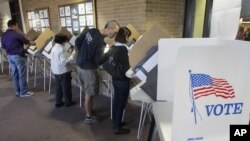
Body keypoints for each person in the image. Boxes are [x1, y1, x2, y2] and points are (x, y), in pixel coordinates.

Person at [75, 20, 120, 124]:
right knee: (89, 93)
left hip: (79, 65)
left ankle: (89, 111)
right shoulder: (101, 42)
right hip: (88, 69)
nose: (115, 35)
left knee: (87, 92)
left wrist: (82, 54)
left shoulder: (92, 31)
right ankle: (88, 117)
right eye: (115, 32)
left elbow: (77, 41)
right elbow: (99, 61)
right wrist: (110, 52)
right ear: (108, 29)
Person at [1, 19, 35, 97]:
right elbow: (27, 41)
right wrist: (36, 42)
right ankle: (23, 92)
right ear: (13, 26)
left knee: (15, 75)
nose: (17, 27)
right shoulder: (16, 34)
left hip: (10, 56)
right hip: (18, 56)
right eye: (16, 25)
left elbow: (3, 47)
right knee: (21, 74)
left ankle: (18, 91)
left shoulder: (4, 35)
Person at [107, 27, 131, 134]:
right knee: (121, 103)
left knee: (116, 101)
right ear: (125, 36)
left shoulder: (114, 47)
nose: (128, 38)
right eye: (128, 36)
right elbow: (127, 67)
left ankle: (115, 123)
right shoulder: (123, 49)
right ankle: (117, 128)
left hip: (115, 78)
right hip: (123, 80)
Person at [50, 34, 75, 108]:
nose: (66, 42)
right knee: (66, 87)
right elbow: (64, 62)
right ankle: (68, 102)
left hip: (55, 70)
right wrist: (72, 56)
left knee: (59, 87)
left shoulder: (54, 47)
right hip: (63, 71)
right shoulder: (61, 49)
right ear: (62, 41)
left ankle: (58, 102)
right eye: (65, 41)